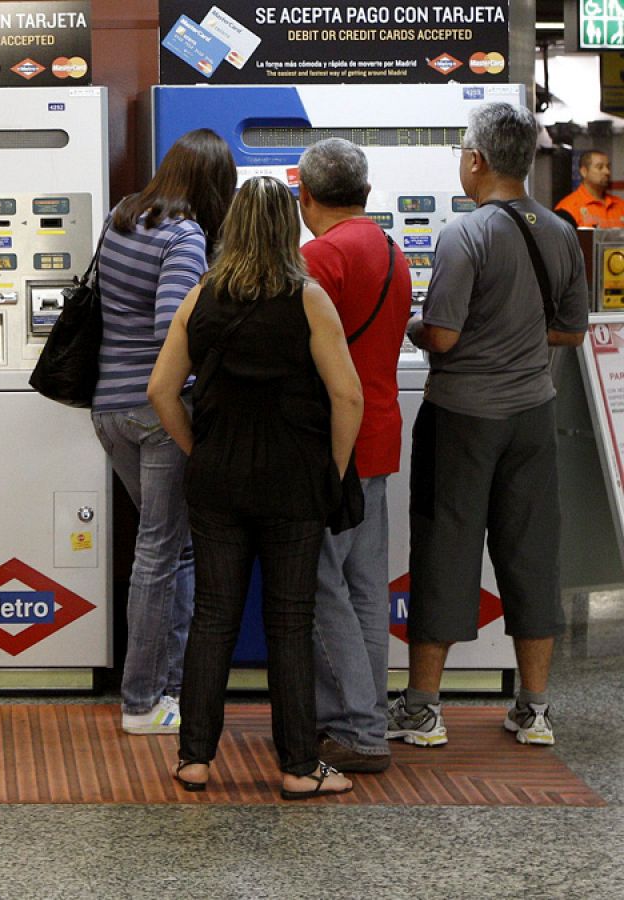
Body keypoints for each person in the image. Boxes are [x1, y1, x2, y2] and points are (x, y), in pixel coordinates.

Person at [148, 176, 364, 798]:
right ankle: (299, 767)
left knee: (214, 617)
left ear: (235, 226)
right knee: (290, 623)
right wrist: (334, 467)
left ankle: (194, 759)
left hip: (218, 479)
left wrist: (200, 450)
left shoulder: (202, 297)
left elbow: (161, 391)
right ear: (287, 227)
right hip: (294, 480)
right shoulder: (309, 299)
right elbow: (349, 395)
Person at [388, 102, 589, 749]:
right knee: (532, 553)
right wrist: (520, 340)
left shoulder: (464, 235)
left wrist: (413, 325)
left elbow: (441, 334)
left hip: (463, 418)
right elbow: (571, 329)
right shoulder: (559, 230)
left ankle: (423, 710)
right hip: (533, 413)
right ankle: (534, 710)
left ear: (475, 159)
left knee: (446, 548)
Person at [92, 127, 235, 735]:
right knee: (160, 552)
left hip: (110, 411)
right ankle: (142, 700)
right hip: (157, 413)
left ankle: (167, 687)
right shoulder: (184, 237)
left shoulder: (123, 217)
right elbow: (171, 331)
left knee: (170, 548)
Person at [295, 139, 413, 774]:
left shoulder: (319, 256)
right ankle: (368, 717)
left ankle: (353, 727)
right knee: (367, 589)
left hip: (331, 443)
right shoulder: (393, 251)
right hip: (380, 435)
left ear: (305, 196)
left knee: (322, 584)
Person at [553, 149, 624, 228]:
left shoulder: (620, 205)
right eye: (600, 167)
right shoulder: (568, 208)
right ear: (584, 172)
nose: (607, 172)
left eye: (608, 167)